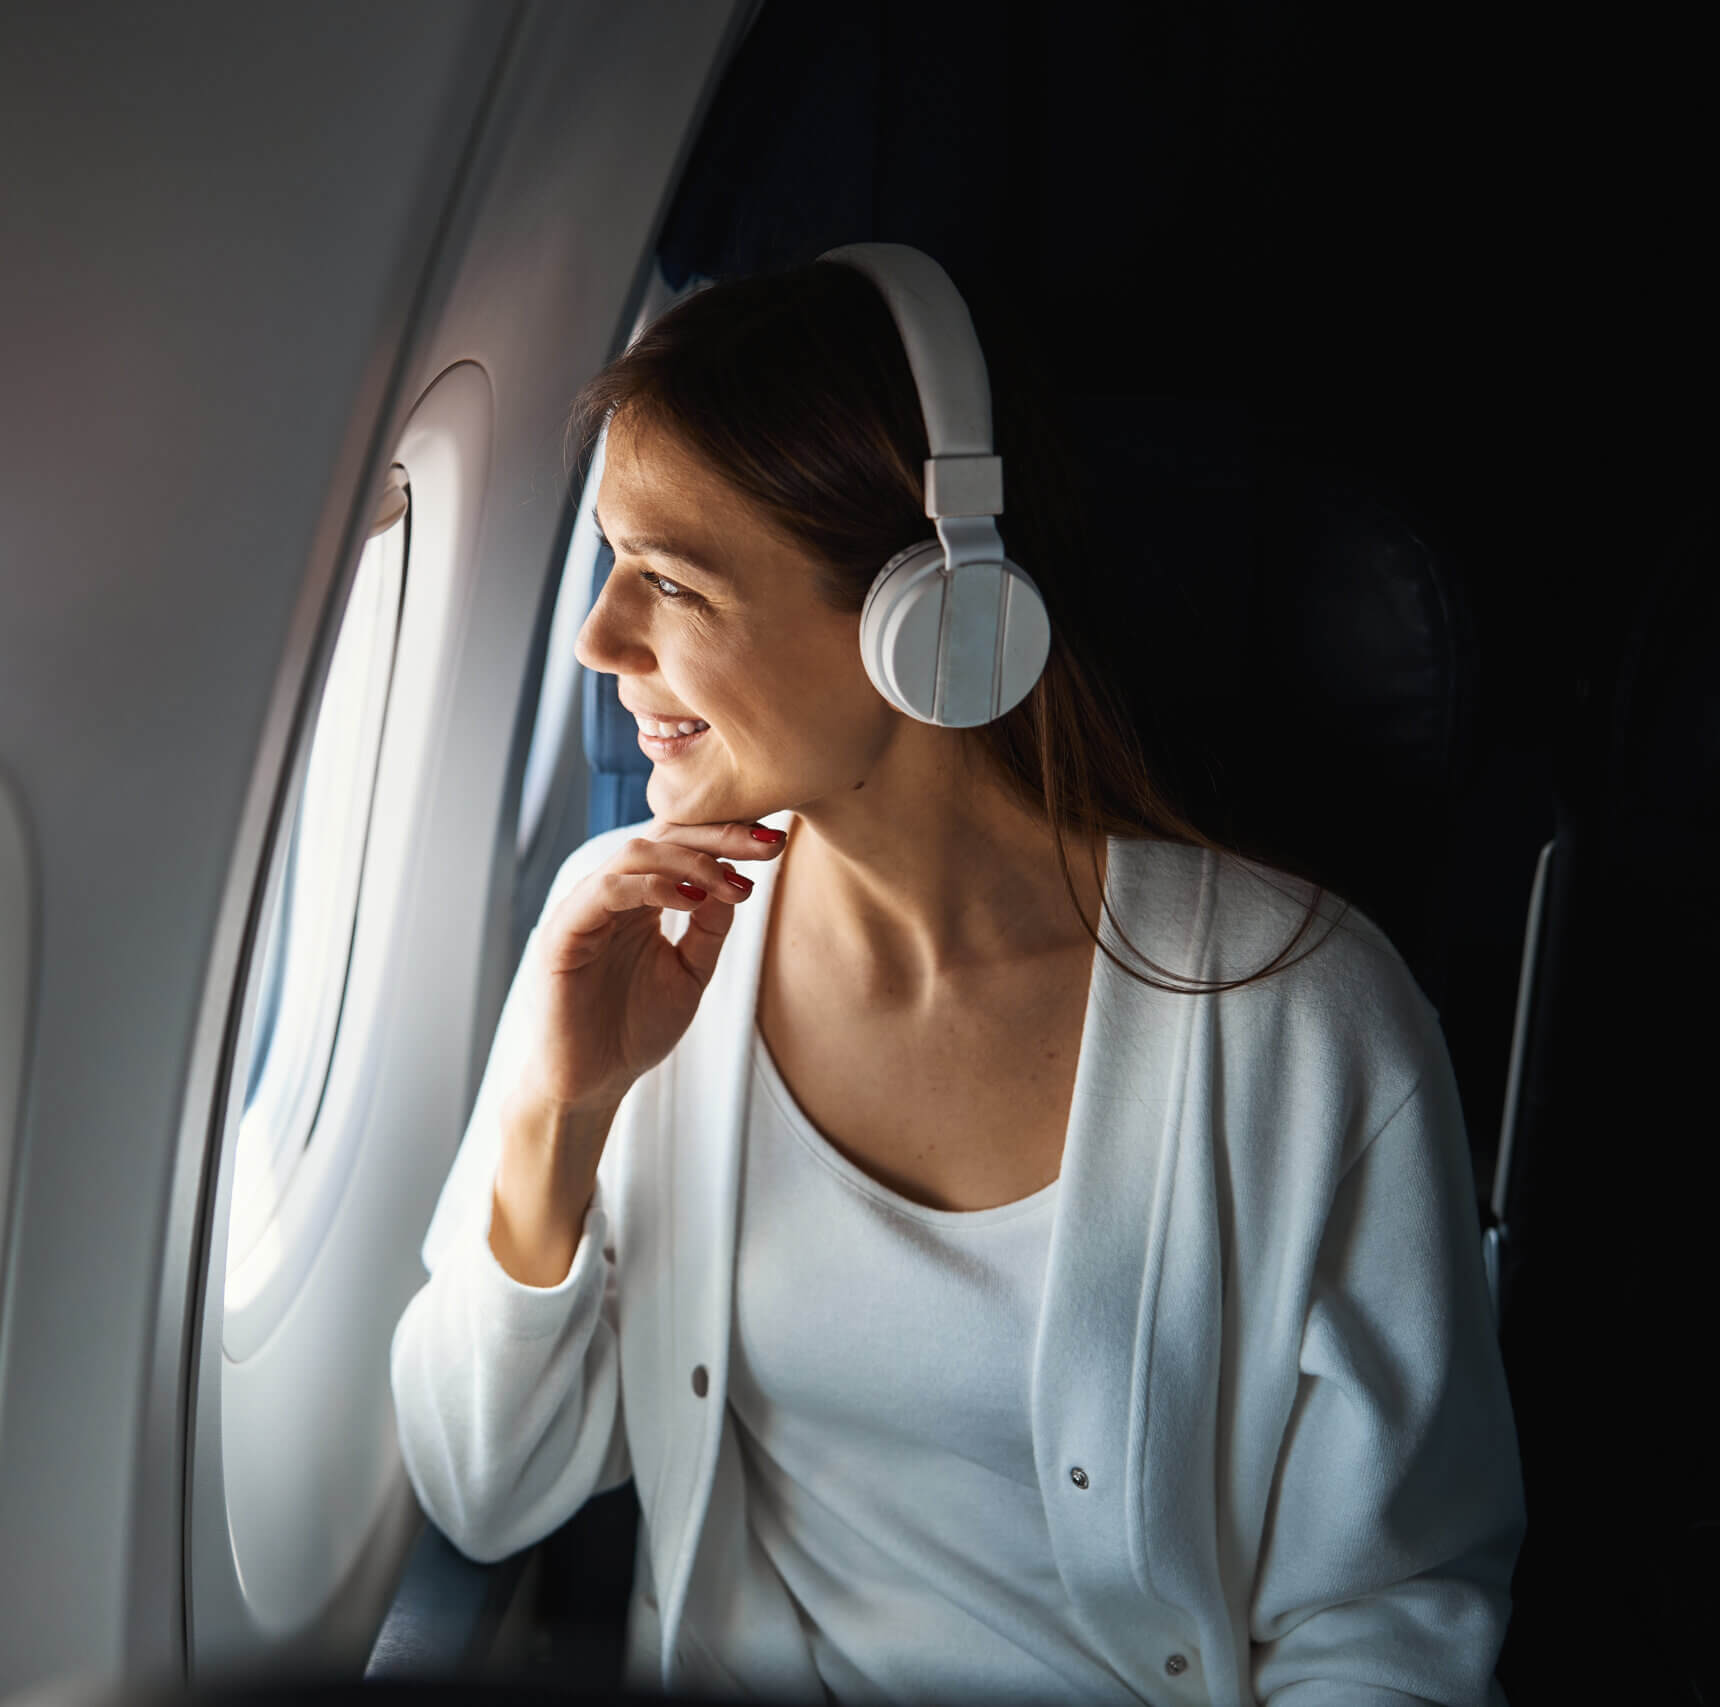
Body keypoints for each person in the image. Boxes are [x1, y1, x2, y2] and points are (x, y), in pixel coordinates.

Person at [388, 254, 1524, 1704]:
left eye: (671, 581)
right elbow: (488, 1493)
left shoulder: (1308, 1026)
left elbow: (1390, 1619)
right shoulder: (637, 945)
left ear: (931, 616)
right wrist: (562, 1114)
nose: (597, 638)